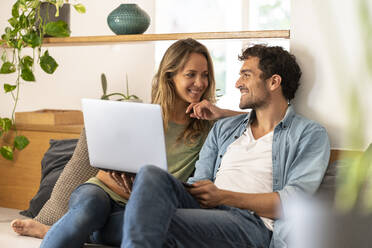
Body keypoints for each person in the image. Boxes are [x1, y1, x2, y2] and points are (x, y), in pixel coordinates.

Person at [13, 38, 239, 246]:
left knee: (133, 229)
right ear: (170, 76)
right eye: (191, 74)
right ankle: (70, 228)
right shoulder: (143, 115)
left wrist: (219, 112)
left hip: (143, 206)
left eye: (205, 75)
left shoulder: (209, 125)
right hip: (103, 190)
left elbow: (260, 119)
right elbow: (106, 170)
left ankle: (56, 230)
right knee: (88, 210)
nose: (199, 83)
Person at [114, 44, 330, 248]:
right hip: (207, 209)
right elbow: (200, 181)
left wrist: (224, 196)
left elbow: (292, 203)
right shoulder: (224, 128)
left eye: (246, 75)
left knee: (154, 219)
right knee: (150, 174)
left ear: (274, 82)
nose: (237, 83)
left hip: (252, 224)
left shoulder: (309, 135)